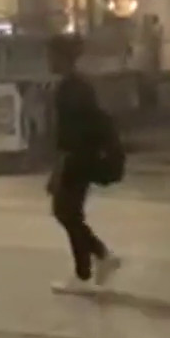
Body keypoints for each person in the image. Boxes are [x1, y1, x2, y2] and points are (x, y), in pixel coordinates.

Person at [48, 34, 124, 294]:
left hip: (76, 159)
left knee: (65, 213)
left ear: (62, 57)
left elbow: (73, 131)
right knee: (69, 214)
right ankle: (93, 263)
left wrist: (61, 165)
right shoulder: (77, 85)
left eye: (51, 56)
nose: (48, 61)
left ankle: (94, 264)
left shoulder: (71, 88)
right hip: (80, 157)